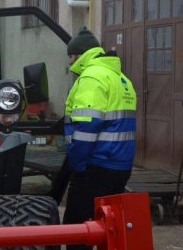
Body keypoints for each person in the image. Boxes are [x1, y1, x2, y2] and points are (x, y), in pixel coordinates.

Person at [62, 27, 137, 250]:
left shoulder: (91, 77)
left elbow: (87, 127)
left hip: (95, 166)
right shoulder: (120, 78)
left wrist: (77, 166)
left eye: (70, 57)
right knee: (109, 229)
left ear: (79, 54)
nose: (69, 62)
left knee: (76, 230)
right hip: (120, 166)